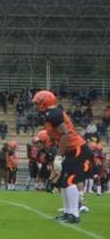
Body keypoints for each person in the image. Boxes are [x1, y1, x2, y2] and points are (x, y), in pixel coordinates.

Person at [32, 90, 94, 223]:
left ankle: (74, 214)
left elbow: (65, 134)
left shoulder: (53, 114)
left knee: (70, 180)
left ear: (44, 103)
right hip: (70, 149)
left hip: (76, 148)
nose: (36, 106)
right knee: (63, 182)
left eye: (38, 103)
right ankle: (68, 212)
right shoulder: (50, 114)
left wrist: (59, 156)